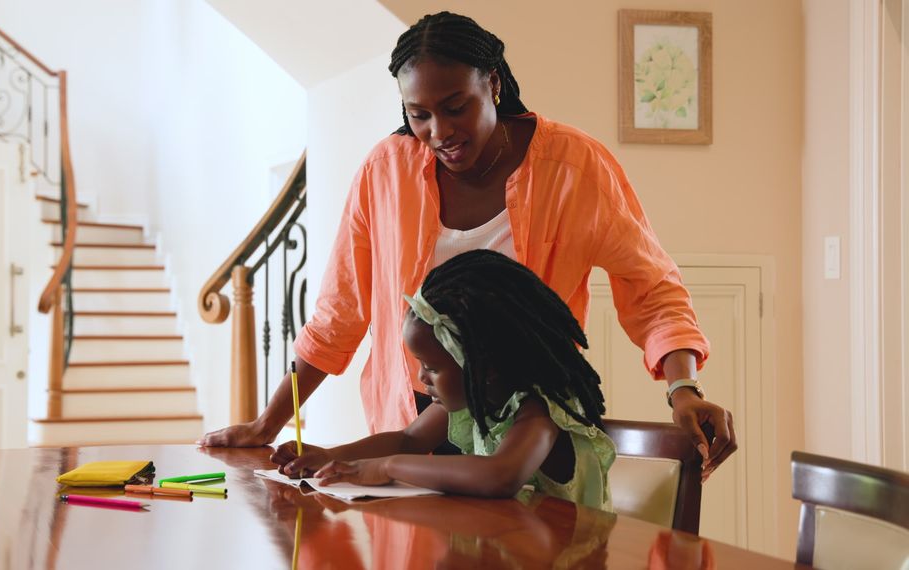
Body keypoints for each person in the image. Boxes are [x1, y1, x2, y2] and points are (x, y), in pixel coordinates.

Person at [201, 11, 737, 479]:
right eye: (419, 114)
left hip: (525, 417)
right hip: (416, 416)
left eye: (456, 106)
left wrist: (682, 389)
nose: (439, 131)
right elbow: (339, 314)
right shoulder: (385, 171)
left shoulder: (575, 168)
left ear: (494, 84)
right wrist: (267, 424)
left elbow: (651, 287)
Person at [272, 250, 616, 510]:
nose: (422, 378)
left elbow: (500, 476)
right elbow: (408, 440)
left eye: (432, 367)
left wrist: (386, 468)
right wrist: (331, 457)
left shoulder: (539, 414)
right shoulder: (476, 396)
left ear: (484, 365)